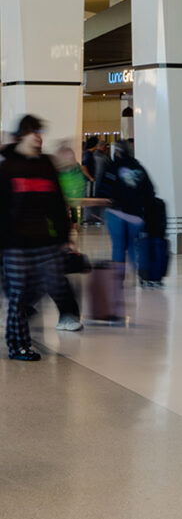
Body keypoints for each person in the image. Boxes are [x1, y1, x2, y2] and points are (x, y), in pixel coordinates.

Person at [0, 115, 84, 361]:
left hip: (45, 242)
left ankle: (51, 315)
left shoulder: (46, 166)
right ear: (21, 136)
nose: (38, 137)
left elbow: (58, 204)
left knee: (53, 283)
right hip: (15, 244)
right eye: (33, 132)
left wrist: (64, 236)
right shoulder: (7, 169)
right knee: (17, 294)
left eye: (39, 132)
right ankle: (18, 345)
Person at [97, 139, 155, 277]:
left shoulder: (112, 167)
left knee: (118, 246)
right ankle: (139, 275)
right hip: (135, 214)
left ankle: (118, 279)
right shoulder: (139, 168)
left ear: (117, 152)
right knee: (132, 245)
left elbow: (103, 189)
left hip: (115, 212)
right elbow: (150, 191)